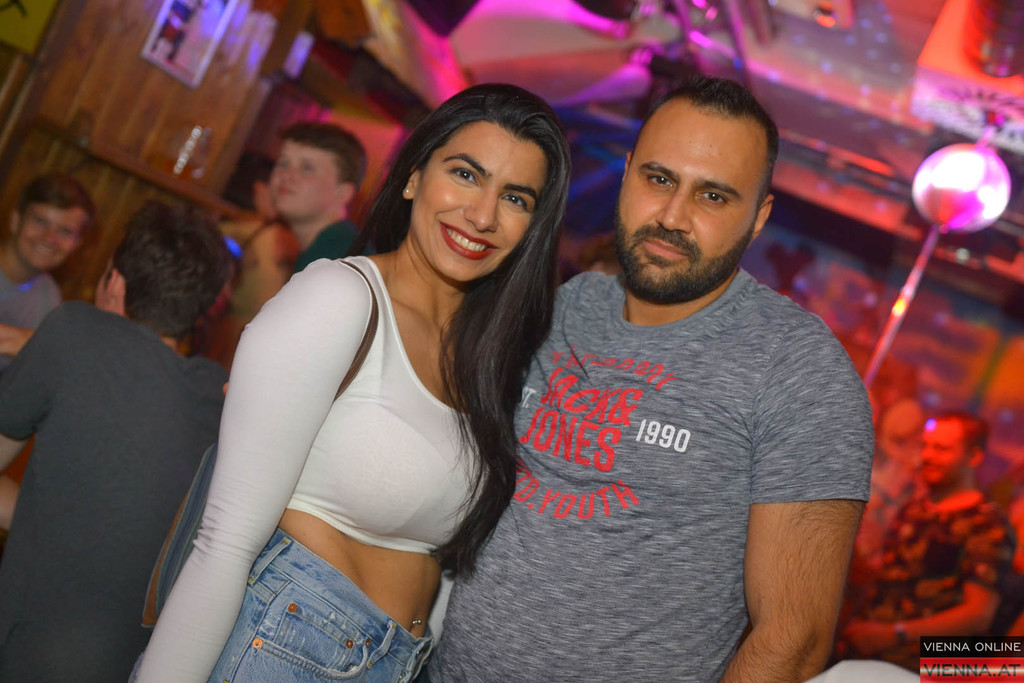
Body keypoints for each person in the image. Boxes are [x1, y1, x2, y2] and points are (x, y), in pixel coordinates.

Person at [429, 76, 874, 682]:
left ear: (758, 217)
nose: (672, 217)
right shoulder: (570, 303)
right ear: (627, 175)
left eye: (713, 196)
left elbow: (792, 639)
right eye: (659, 180)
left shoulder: (799, 369)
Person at [134, 83, 571, 682]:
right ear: (413, 176)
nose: (483, 214)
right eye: (466, 174)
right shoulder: (339, 299)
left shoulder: (488, 358)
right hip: (281, 646)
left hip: (391, 662)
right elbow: (223, 543)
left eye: (515, 197)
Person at [0, 201, 231, 681]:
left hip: (27, 652)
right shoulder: (219, 395)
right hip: (137, 666)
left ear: (116, 284)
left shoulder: (74, 329)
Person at [840, 412, 1014, 671]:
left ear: (974, 457)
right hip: (865, 654)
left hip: (912, 667)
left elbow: (978, 614)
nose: (928, 456)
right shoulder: (916, 507)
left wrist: (894, 634)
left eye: (942, 449)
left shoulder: (987, 525)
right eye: (926, 446)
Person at [0, 172, 95, 370]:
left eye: (65, 231)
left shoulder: (48, 295)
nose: (50, 239)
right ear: (15, 220)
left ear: (76, 244)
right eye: (40, 222)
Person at [269, 121, 370, 272]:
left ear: (343, 193)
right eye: (283, 163)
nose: (287, 175)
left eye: (307, 168)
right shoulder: (330, 249)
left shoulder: (333, 262)